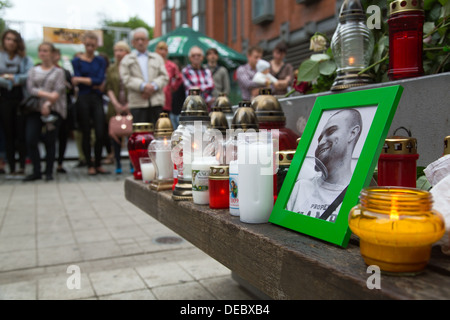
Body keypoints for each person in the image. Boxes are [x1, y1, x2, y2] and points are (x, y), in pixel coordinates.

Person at [286, 109, 362, 223]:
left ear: (352, 133)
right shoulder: (300, 187)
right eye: (319, 138)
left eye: (331, 131)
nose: (321, 143)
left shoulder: (361, 197)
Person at [24, 42, 67, 181]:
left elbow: (58, 91)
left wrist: (48, 103)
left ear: (52, 53)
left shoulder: (58, 71)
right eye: (41, 51)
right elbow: (31, 89)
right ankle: (36, 170)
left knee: (50, 141)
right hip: (35, 109)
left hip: (53, 110)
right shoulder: (33, 70)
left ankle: (49, 171)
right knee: (31, 139)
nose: (43, 53)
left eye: (46, 51)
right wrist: (47, 95)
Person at [71, 31, 109, 176]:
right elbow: (75, 80)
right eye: (88, 44)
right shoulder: (77, 61)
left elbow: (99, 80)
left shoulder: (100, 61)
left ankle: (98, 162)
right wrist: (90, 82)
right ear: (84, 44)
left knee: (100, 132)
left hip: (96, 98)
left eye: (93, 45)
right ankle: (89, 164)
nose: (90, 47)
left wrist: (83, 80)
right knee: (85, 131)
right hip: (83, 98)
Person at [0, 29, 33, 178]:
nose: (11, 42)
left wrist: (12, 78)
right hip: (4, 99)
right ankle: (11, 166)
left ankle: (21, 166)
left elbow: (28, 75)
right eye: (8, 39)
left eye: (14, 40)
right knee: (8, 133)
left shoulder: (25, 59)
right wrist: (10, 80)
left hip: (20, 99)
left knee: (21, 134)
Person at [119, 27, 168, 125]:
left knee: (158, 134)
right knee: (140, 135)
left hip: (156, 102)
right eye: (137, 40)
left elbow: (164, 77)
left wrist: (153, 86)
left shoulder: (157, 58)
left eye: (143, 39)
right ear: (132, 42)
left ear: (147, 41)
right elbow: (126, 78)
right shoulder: (127, 60)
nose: (140, 42)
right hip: (138, 103)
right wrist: (142, 86)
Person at [106, 40, 131, 174]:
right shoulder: (111, 68)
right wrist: (115, 103)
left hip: (129, 104)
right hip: (115, 105)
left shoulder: (132, 67)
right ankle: (118, 163)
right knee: (115, 133)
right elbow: (108, 87)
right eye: (116, 50)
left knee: (130, 134)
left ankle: (133, 163)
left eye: (121, 50)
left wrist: (128, 104)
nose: (118, 53)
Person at [53, 48, 75, 174]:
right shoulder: (37, 69)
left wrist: (68, 86)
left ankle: (60, 163)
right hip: (47, 107)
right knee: (50, 138)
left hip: (64, 108)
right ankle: (49, 163)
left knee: (63, 136)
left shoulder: (65, 72)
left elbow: (71, 91)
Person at [154, 41, 183, 128]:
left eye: (165, 49)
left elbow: (179, 78)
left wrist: (173, 88)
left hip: (166, 97)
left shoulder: (171, 65)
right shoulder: (152, 63)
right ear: (156, 50)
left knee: (165, 121)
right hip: (154, 96)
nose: (162, 52)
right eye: (160, 49)